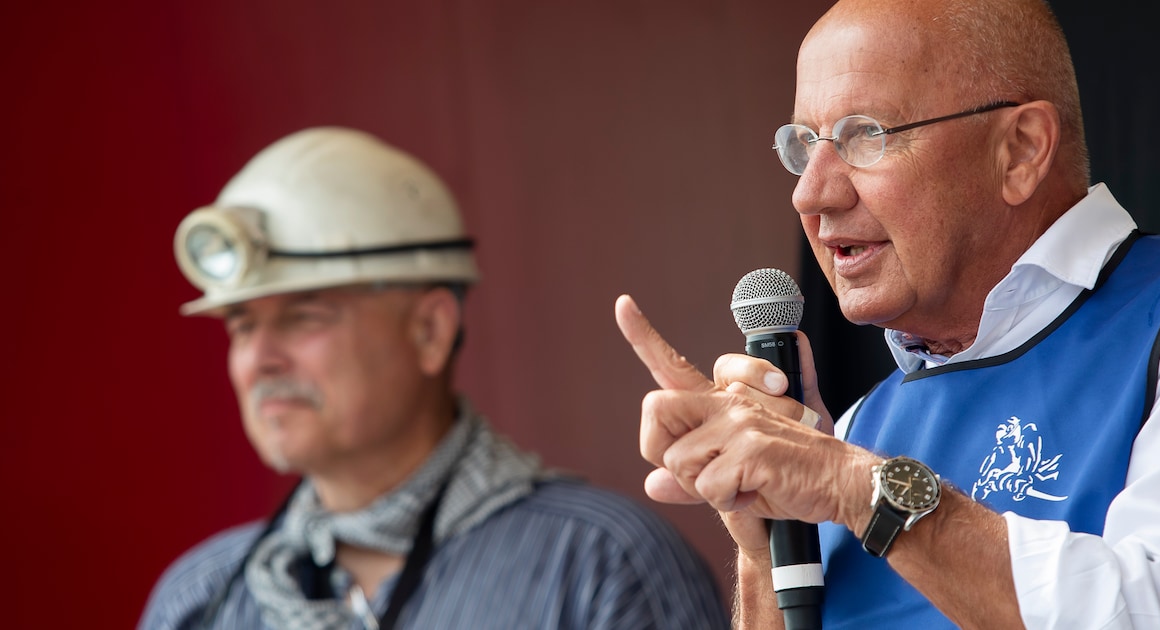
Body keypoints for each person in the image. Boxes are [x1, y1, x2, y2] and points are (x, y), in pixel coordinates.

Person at [614, 0, 1160, 628]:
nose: (810, 192)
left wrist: (858, 489)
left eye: (865, 134)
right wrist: (766, 547)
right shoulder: (862, 424)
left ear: (1021, 150)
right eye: (804, 145)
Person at [139, 126, 730, 629]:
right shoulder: (199, 599)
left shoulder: (603, 564)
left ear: (429, 331)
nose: (259, 358)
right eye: (241, 325)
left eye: (303, 317)